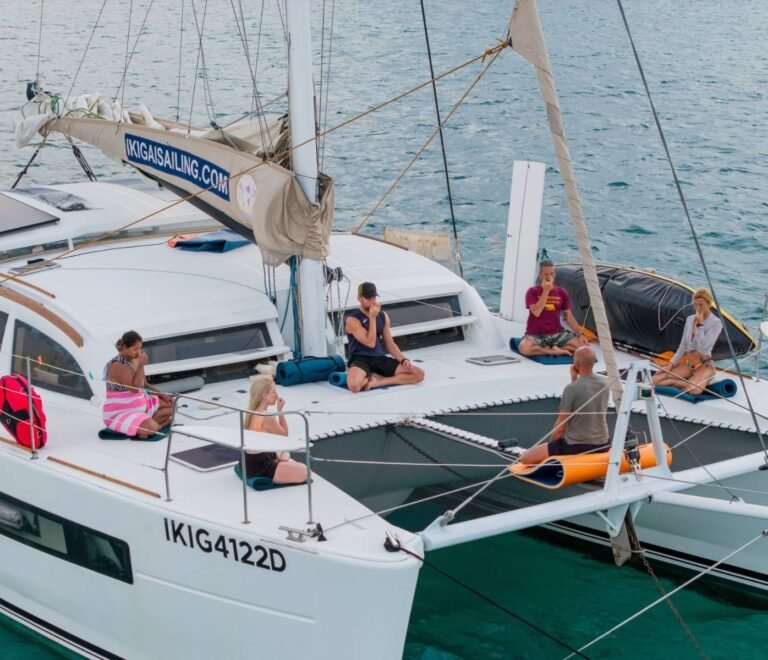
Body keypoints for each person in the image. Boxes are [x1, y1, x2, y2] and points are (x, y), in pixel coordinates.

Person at [520, 346, 610, 465]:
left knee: (525, 458)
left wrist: (553, 448)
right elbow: (583, 397)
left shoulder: (571, 389)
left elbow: (561, 426)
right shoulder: (605, 383)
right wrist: (574, 378)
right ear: (593, 362)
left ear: (576, 364)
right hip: (603, 443)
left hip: (578, 446)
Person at [344, 281, 425, 393]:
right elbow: (370, 343)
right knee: (354, 386)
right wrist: (372, 318)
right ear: (359, 298)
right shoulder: (352, 320)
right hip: (360, 358)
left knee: (418, 374)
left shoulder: (383, 316)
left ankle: (378, 381)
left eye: (373, 298)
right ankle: (371, 374)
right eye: (368, 298)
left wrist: (403, 359)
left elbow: (389, 343)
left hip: (379, 358)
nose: (372, 301)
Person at [652, 287, 723, 395]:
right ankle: (687, 382)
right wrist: (671, 364)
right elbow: (683, 346)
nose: (698, 308)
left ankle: (690, 382)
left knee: (694, 391)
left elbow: (703, 346)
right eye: (696, 305)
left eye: (701, 305)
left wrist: (700, 325)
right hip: (688, 365)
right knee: (655, 380)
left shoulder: (716, 323)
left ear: (709, 304)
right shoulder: (690, 319)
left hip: (704, 365)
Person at [103, 330, 173, 438]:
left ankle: (146, 424)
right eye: (135, 349)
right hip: (122, 411)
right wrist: (140, 366)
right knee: (151, 427)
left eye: (140, 348)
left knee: (172, 406)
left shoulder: (135, 359)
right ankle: (156, 426)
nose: (138, 352)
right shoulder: (118, 364)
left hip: (142, 404)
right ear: (125, 347)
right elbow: (134, 389)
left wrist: (163, 395)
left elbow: (144, 384)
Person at [242, 376, 307, 484]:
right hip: (261, 467)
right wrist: (280, 411)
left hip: (251, 463)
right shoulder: (266, 415)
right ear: (264, 396)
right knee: (305, 471)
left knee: (287, 455)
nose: (277, 395)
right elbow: (284, 435)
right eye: (274, 392)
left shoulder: (252, 412)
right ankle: (282, 460)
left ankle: (282, 459)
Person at [518, 260, 587, 357]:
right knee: (524, 348)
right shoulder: (532, 291)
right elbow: (536, 312)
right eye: (546, 274)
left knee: (583, 347)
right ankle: (552, 351)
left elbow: (568, 315)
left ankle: (554, 348)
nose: (549, 277)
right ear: (540, 275)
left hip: (557, 333)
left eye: (552, 273)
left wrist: (580, 334)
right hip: (536, 335)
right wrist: (546, 290)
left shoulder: (561, 292)